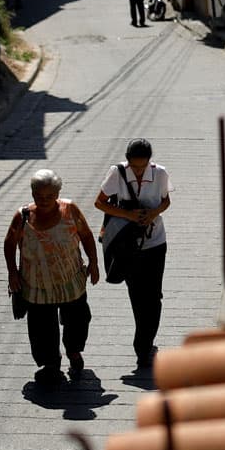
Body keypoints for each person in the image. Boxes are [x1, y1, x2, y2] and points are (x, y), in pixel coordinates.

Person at [6, 169, 99, 387]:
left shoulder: (70, 210)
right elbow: (9, 243)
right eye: (39, 196)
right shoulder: (23, 216)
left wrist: (93, 262)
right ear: (32, 194)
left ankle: (74, 351)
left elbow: (85, 235)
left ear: (58, 193)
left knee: (78, 319)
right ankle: (50, 364)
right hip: (37, 284)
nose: (44, 201)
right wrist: (12, 272)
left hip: (70, 280)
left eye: (50, 196)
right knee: (41, 327)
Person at [94, 138, 170, 369]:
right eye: (134, 167)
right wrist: (128, 215)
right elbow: (100, 203)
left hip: (155, 241)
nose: (138, 171)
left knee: (154, 296)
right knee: (137, 295)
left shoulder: (160, 174)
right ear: (127, 161)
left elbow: (166, 200)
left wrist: (153, 213)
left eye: (142, 166)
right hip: (128, 244)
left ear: (149, 161)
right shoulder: (117, 173)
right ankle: (142, 347)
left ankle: (146, 343)